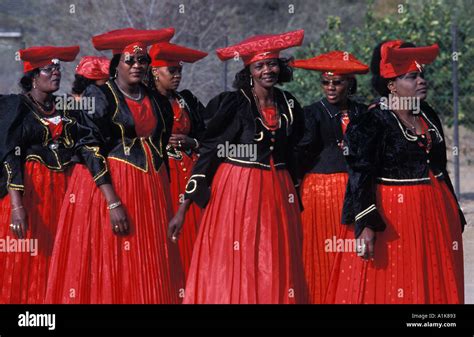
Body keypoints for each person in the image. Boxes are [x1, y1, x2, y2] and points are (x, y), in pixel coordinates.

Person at [45, 27, 185, 304]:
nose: (137, 65)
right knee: (116, 255)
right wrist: (112, 202)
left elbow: (161, 140)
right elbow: (89, 147)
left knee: (151, 257)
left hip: (151, 189)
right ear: (116, 64)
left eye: (142, 60)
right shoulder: (100, 97)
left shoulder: (157, 100)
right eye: (129, 60)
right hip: (112, 186)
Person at [168, 29, 308, 304]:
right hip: (238, 191)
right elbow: (209, 152)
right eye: (260, 65)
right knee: (239, 258)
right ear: (249, 71)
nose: (267, 70)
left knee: (274, 258)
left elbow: (295, 152)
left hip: (277, 192)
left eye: (272, 64)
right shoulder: (233, 104)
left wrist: (296, 197)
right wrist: (184, 207)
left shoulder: (289, 103)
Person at [325, 40, 466, 304]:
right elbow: (360, 175)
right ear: (391, 85)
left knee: (429, 278)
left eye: (422, 75)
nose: (421, 81)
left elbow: (439, 166)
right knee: (393, 281)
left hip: (433, 210)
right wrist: (365, 224)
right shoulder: (371, 121)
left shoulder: (428, 115)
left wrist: (453, 212)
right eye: (412, 77)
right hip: (392, 214)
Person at [0, 45, 109, 303]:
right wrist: (17, 206)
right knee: (30, 256)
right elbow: (10, 155)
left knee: (63, 253)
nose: (57, 73)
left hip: (66, 193)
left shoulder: (68, 107)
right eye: (49, 69)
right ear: (33, 76)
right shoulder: (18, 107)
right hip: (30, 195)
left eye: (59, 68)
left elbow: (87, 145)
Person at [292, 51, 369, 303]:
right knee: (322, 251)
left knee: (354, 249)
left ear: (350, 84)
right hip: (321, 191)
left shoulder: (363, 112)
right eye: (326, 82)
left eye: (337, 82)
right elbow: (300, 153)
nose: (331, 88)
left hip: (357, 189)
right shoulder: (312, 113)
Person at [148, 42, 207, 278]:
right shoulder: (145, 101)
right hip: (160, 174)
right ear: (155, 71)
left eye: (180, 71)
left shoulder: (187, 100)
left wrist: (192, 143)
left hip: (189, 175)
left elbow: (209, 135)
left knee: (193, 234)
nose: (177, 76)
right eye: (172, 71)